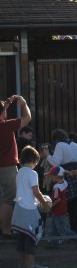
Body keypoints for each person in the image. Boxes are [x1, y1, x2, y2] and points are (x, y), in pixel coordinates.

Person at [11, 146, 50, 268]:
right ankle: (31, 264)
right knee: (31, 237)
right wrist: (44, 203)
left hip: (18, 209)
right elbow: (36, 191)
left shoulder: (19, 172)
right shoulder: (32, 173)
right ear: (34, 160)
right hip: (29, 210)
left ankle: (21, 264)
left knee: (21, 239)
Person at [43, 129, 77, 234]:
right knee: (75, 210)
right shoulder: (75, 144)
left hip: (66, 177)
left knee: (62, 207)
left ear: (56, 139)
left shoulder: (60, 145)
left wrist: (47, 155)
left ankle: (65, 234)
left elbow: (55, 163)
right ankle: (74, 233)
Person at [1, 95, 32, 239]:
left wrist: (5, 106)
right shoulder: (6, 125)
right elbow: (27, 118)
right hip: (7, 166)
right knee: (9, 198)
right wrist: (23, 104)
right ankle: (6, 229)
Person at [48, 166, 77, 247]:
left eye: (52, 175)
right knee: (54, 227)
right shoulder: (64, 183)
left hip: (57, 210)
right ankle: (54, 243)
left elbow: (57, 199)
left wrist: (50, 206)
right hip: (63, 208)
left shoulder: (56, 187)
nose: (51, 177)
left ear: (56, 176)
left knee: (61, 228)